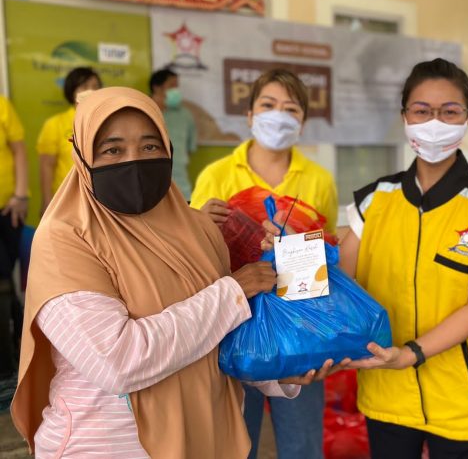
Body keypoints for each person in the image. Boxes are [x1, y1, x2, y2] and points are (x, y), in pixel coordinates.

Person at [10, 87, 332, 458]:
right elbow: (118, 362)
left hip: (209, 438)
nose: (134, 161)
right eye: (113, 149)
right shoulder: (64, 239)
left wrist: (279, 375)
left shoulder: (196, 229)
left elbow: (222, 338)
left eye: (150, 146)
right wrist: (232, 291)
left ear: (169, 149)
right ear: (81, 155)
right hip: (106, 444)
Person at [263, 58, 468, 459]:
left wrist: (410, 353)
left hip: (460, 397)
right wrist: (289, 254)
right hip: (386, 391)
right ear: (405, 116)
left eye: (450, 111)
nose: (434, 121)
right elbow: (342, 279)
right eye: (422, 110)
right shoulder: (375, 200)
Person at [190, 68, 338, 459]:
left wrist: (298, 244)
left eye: (291, 108)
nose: (279, 115)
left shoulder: (319, 180)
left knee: (303, 443)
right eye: (268, 105)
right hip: (233, 328)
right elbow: (193, 256)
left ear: (303, 122)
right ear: (250, 116)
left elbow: (330, 255)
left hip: (302, 326)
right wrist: (202, 223)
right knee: (236, 443)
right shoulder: (217, 175)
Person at [37, 66, 101, 214]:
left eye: (96, 86)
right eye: (84, 86)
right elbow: (47, 166)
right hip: (67, 201)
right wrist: (47, 201)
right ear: (72, 90)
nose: (91, 91)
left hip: (102, 198)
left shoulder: (106, 122)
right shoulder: (54, 124)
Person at [0, 95, 28, 409]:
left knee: (5, 280)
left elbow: (19, 150)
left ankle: (14, 366)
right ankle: (7, 368)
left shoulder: (3, 105)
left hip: (8, 209)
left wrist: (21, 195)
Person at [150, 68, 197, 201]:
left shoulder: (185, 115)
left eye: (177, 86)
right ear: (157, 88)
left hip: (181, 186)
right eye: (172, 86)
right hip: (149, 186)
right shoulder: (143, 113)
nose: (176, 90)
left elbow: (190, 148)